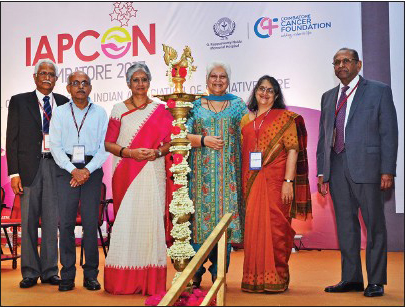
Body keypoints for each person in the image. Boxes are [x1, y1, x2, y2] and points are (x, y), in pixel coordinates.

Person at [317, 48, 398, 297]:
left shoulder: (378, 90)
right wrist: (322, 172)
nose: (341, 65)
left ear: (358, 64)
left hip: (369, 168)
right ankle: (351, 278)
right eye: (337, 62)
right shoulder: (328, 96)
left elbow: (389, 132)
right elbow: (324, 137)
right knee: (346, 226)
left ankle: (376, 280)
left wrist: (387, 170)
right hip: (338, 168)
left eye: (346, 61)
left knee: (375, 226)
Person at [103, 62, 173, 295]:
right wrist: (129, 152)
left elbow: (170, 143)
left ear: (149, 83)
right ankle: (123, 281)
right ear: (128, 83)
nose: (140, 84)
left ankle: (150, 282)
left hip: (153, 170)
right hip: (126, 171)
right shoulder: (118, 109)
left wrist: (157, 152)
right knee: (127, 223)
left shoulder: (161, 110)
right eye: (136, 80)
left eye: (144, 79)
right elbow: (108, 143)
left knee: (151, 222)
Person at [240, 75, 312, 293]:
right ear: (255, 92)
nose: (265, 93)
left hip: (276, 183)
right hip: (252, 183)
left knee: (276, 229)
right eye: (261, 89)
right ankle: (253, 279)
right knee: (253, 230)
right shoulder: (246, 120)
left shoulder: (286, 119)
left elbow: (292, 150)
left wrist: (288, 182)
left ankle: (276, 277)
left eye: (270, 90)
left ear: (277, 95)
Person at [6, 59, 68, 288]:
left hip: (55, 166)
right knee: (29, 221)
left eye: (51, 74)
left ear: (56, 79)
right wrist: (14, 173)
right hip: (29, 169)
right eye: (42, 73)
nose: (47, 77)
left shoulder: (63, 102)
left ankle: (50, 270)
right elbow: (11, 139)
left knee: (52, 222)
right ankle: (30, 271)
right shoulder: (19, 101)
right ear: (35, 77)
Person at [186, 61, 248, 288]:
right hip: (200, 176)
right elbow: (181, 134)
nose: (218, 80)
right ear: (207, 79)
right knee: (198, 224)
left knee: (224, 225)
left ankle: (218, 273)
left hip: (228, 177)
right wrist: (203, 140)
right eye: (214, 76)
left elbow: (250, 134)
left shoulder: (238, 105)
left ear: (228, 80)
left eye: (223, 76)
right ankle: (194, 273)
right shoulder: (194, 106)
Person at [49, 71, 109, 291]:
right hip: (66, 170)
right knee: (65, 223)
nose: (80, 87)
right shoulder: (60, 113)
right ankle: (67, 275)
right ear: (68, 88)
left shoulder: (100, 113)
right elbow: (54, 146)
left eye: (85, 83)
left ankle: (91, 275)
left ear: (90, 88)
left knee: (91, 223)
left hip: (92, 171)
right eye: (75, 83)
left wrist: (86, 171)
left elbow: (105, 147)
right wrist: (73, 170)